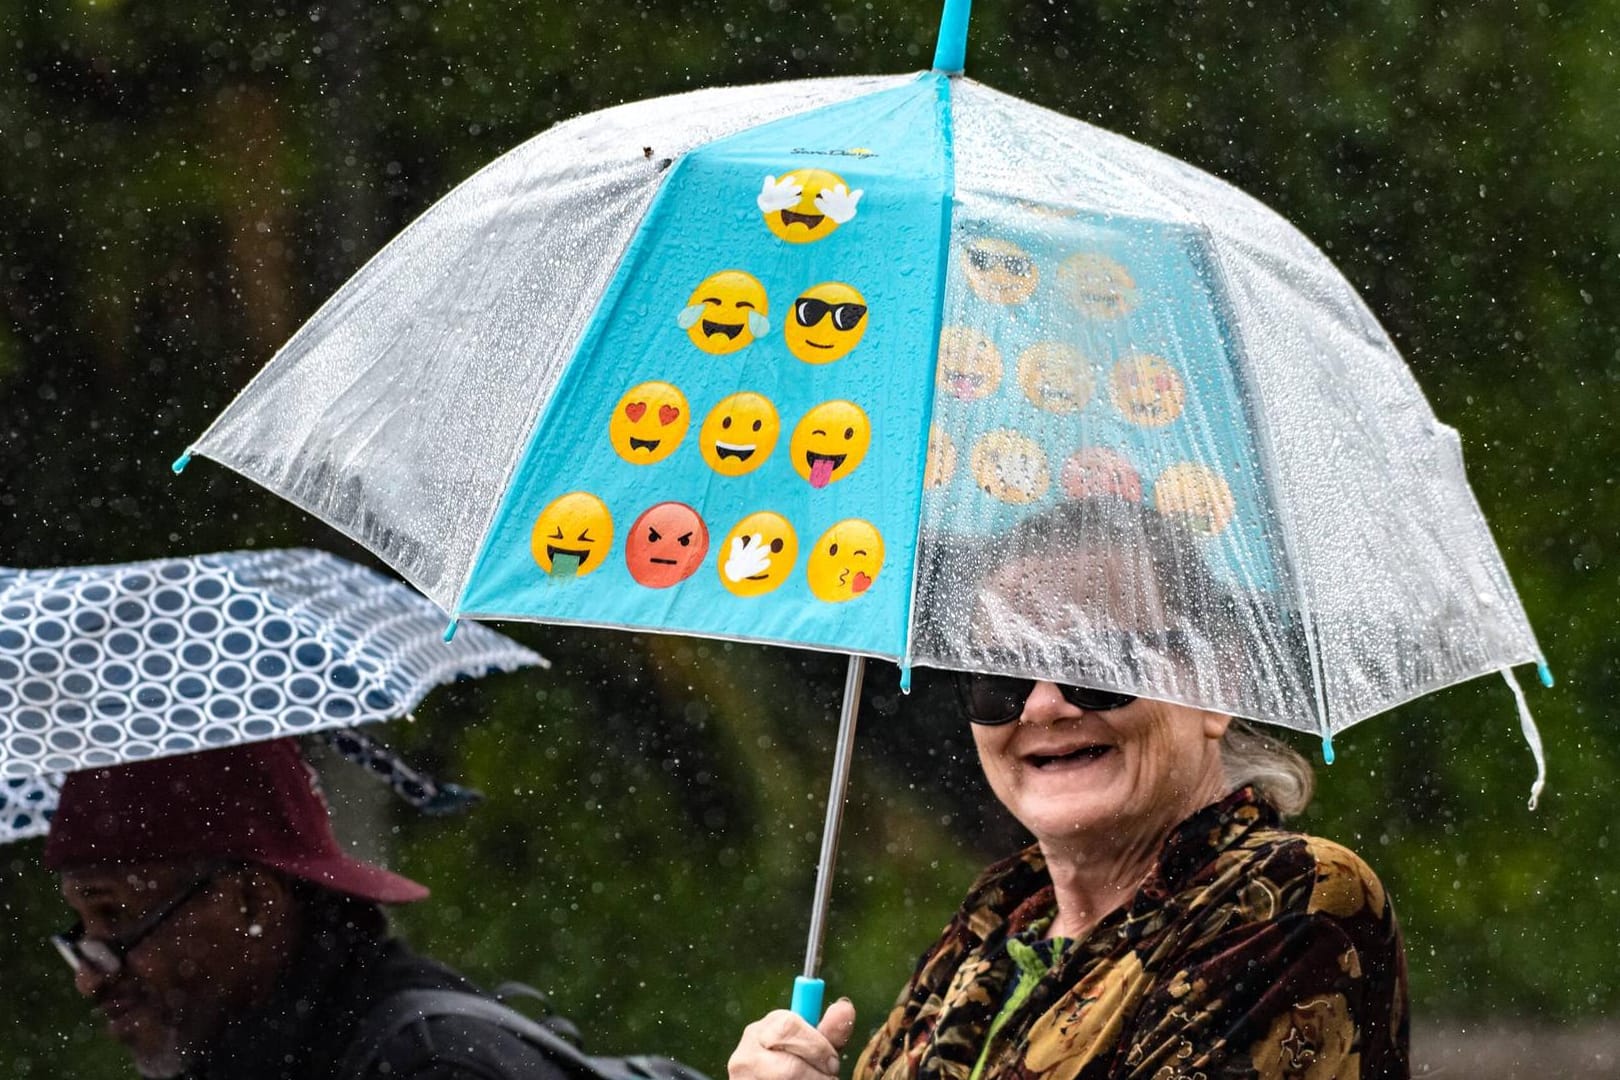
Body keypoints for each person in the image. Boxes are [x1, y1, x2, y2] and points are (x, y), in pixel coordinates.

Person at [729, 498, 1410, 1080]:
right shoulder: (990, 931)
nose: (1043, 707)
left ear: (1215, 683)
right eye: (1001, 675)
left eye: (1093, 661)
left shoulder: (1294, 899)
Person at [44, 738, 574, 1080]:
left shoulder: (433, 1067)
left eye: (114, 916)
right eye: (80, 932)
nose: (90, 979)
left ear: (250, 901)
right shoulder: (265, 1054)